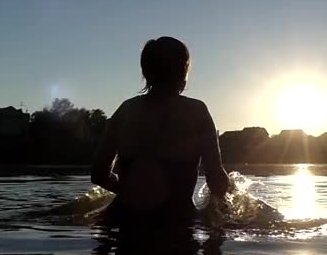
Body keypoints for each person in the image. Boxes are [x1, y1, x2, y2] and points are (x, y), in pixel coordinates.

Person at [91, 36, 230, 226]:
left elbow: (98, 173)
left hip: (123, 219)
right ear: (184, 70)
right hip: (178, 220)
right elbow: (216, 180)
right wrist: (230, 197)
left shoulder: (126, 110)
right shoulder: (196, 111)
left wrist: (129, 191)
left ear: (145, 72)